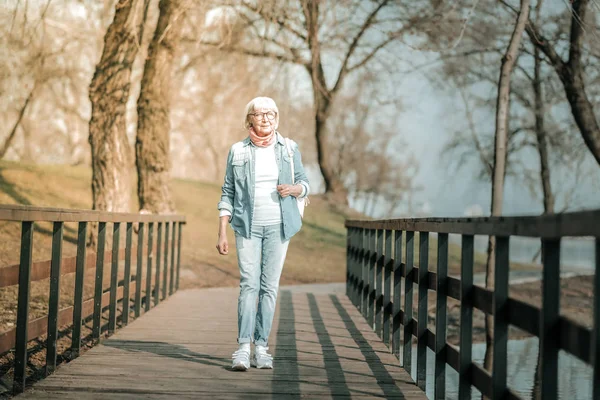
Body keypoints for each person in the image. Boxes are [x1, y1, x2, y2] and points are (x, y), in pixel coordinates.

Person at [216, 96, 310, 371]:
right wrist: (222, 230)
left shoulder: (289, 149)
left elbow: (304, 183)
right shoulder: (238, 151)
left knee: (269, 288)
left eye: (271, 113)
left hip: (279, 228)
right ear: (250, 120)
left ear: (276, 118)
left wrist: (293, 189)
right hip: (247, 226)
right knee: (249, 285)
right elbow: (228, 193)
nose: (266, 118)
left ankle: (262, 348)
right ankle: (243, 348)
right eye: (260, 114)